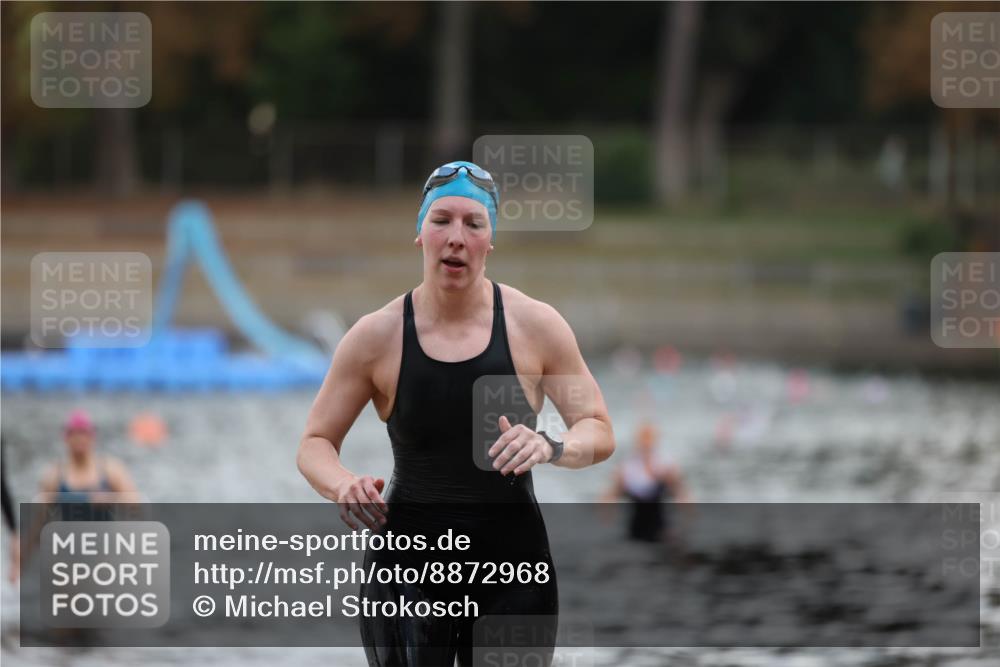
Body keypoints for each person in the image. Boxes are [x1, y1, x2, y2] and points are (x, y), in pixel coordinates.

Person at [297, 161, 615, 666]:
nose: (456, 237)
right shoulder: (375, 337)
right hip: (407, 574)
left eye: (474, 223)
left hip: (513, 573)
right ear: (419, 233)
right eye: (441, 220)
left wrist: (552, 445)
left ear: (491, 240)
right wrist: (341, 484)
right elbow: (315, 443)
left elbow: (598, 428)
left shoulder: (537, 327)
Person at [38, 409, 139, 520]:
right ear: (66, 438)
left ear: (92, 437)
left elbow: (135, 503)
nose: (79, 439)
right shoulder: (54, 475)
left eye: (83, 433)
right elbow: (39, 518)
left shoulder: (111, 469)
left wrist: (109, 499)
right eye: (74, 434)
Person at [601, 422, 690, 543]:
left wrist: (686, 513)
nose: (646, 445)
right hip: (636, 524)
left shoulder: (665, 464)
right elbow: (610, 495)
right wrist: (607, 514)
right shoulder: (628, 467)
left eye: (649, 440)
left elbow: (680, 492)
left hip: (659, 524)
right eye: (643, 440)